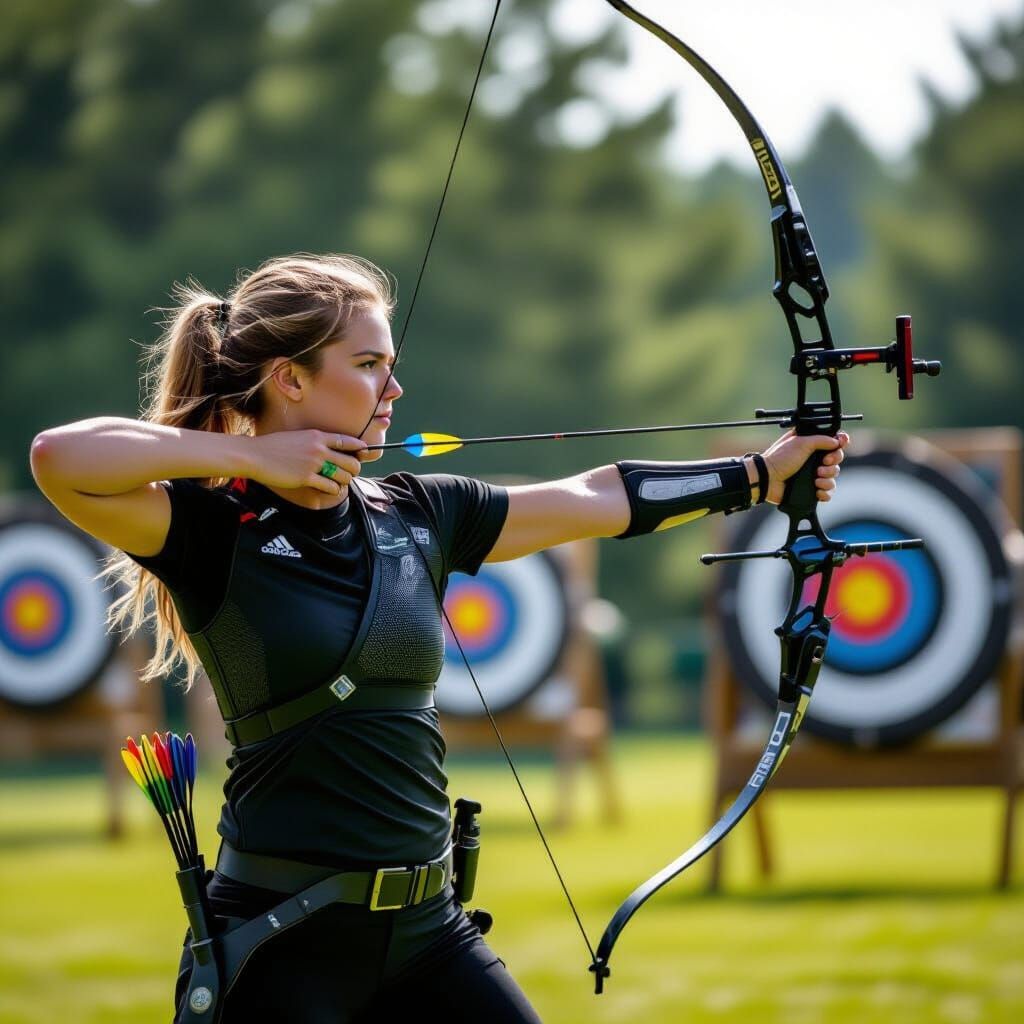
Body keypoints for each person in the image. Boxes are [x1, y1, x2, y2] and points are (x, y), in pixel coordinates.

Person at [29, 252, 847, 1023]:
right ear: (288, 378)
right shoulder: (211, 531)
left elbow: (596, 497)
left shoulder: (421, 512)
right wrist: (259, 459)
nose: (394, 387)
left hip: (429, 933)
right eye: (368, 365)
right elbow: (60, 456)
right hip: (282, 939)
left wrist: (760, 476)